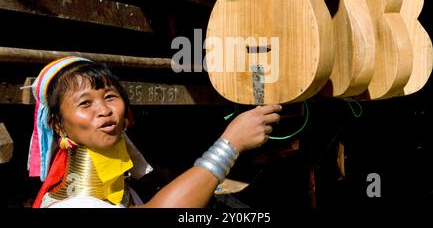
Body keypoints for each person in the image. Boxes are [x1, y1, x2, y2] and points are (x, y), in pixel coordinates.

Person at [27, 56, 282, 208]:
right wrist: (230, 143)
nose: (104, 110)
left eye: (109, 97)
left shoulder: (126, 191)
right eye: (85, 103)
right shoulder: (70, 203)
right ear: (58, 125)